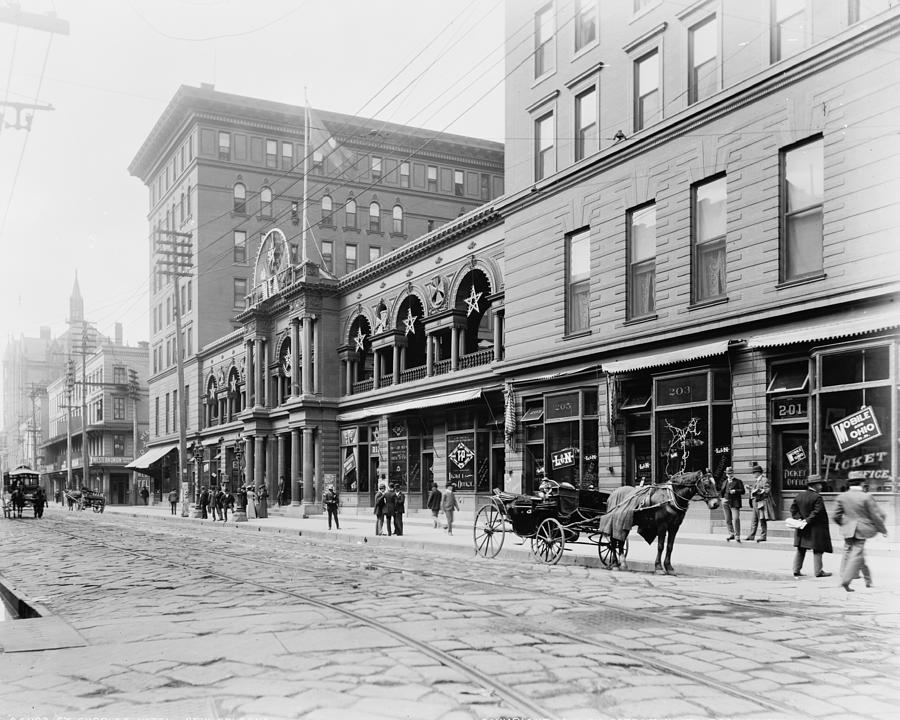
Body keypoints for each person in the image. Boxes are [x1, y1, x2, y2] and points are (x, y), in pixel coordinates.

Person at [834, 477, 887, 591]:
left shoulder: (842, 497)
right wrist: (883, 530)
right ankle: (846, 581)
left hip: (847, 530)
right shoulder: (866, 497)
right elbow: (876, 516)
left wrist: (845, 524)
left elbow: (835, 516)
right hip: (862, 529)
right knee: (857, 553)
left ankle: (868, 581)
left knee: (854, 553)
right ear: (862, 483)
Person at [790, 476, 833, 578]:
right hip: (816, 528)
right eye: (820, 484)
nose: (821, 486)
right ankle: (818, 571)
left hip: (802, 527)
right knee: (818, 549)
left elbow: (793, 510)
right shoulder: (817, 497)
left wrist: (800, 519)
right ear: (815, 485)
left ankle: (796, 570)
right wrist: (807, 520)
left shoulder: (799, 495)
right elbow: (817, 512)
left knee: (801, 549)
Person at [745, 465, 774, 542]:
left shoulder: (764, 480)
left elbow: (767, 490)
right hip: (756, 501)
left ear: (758, 473)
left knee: (762, 519)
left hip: (761, 502)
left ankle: (763, 536)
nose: (753, 474)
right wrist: (751, 489)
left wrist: (758, 491)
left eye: (754, 473)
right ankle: (751, 535)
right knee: (754, 519)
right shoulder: (758, 480)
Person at [720, 467, 744, 542]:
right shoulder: (724, 482)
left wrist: (735, 491)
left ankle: (737, 535)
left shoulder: (738, 481)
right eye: (728, 473)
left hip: (735, 502)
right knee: (728, 519)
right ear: (726, 474)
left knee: (736, 518)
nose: (729, 475)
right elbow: (721, 492)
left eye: (730, 473)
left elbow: (742, 491)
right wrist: (722, 499)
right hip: (726, 502)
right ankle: (731, 534)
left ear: (733, 473)